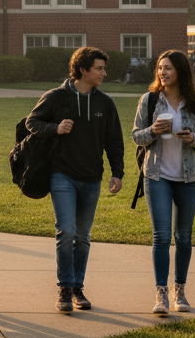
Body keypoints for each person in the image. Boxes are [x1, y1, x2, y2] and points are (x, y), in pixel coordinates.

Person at [26, 46, 124, 313]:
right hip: (62, 175)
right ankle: (64, 288)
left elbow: (114, 142)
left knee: (82, 236)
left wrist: (117, 173)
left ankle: (77, 287)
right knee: (66, 230)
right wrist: (55, 128)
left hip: (92, 177)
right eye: (99, 68)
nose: (104, 73)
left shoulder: (105, 103)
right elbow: (32, 123)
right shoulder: (56, 97)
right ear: (83, 70)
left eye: (104, 68)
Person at [132, 50, 195, 316]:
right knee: (161, 236)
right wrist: (152, 131)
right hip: (156, 176)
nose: (162, 73)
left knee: (184, 237)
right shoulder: (150, 100)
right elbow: (136, 136)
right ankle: (161, 294)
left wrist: (193, 139)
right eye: (159, 68)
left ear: (180, 71)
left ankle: (179, 290)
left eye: (167, 68)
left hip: (189, 178)